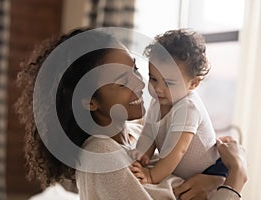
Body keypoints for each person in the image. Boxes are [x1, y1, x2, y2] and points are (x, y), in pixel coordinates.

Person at [15, 27, 247, 200]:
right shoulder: (100, 155)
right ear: (91, 102)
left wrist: (216, 178)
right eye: (120, 80)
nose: (139, 83)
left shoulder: (138, 134)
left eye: (135, 69)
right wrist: (235, 176)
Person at [131, 29, 228, 186]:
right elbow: (149, 135)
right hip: (183, 172)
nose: (158, 89)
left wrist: (151, 175)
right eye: (153, 79)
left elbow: (176, 151)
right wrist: (140, 157)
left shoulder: (188, 107)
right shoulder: (156, 103)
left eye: (169, 83)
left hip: (211, 170)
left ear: (193, 83)